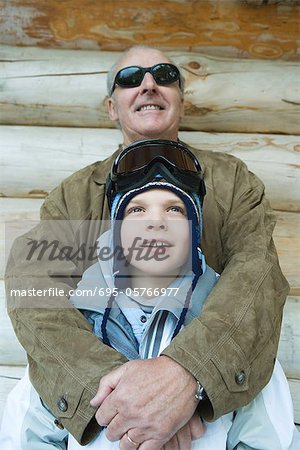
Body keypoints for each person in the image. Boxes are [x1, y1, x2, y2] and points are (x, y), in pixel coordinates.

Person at [5, 46, 290, 449]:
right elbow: (34, 285)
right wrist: (125, 397)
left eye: (163, 74)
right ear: (111, 107)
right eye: (130, 78)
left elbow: (256, 274)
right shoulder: (74, 195)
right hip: (102, 368)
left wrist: (187, 376)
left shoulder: (231, 181)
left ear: (180, 100)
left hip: (214, 380)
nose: (148, 84)